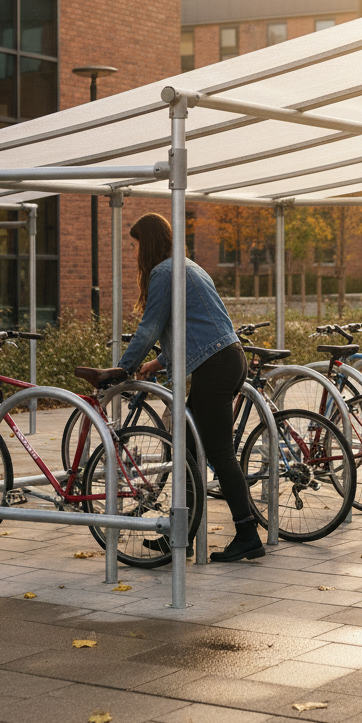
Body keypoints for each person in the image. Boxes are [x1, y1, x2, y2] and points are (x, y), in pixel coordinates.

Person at [93, 213, 264, 562]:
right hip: (228, 358)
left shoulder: (163, 272)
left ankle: (246, 533)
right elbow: (187, 326)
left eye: (135, 244)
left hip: (214, 366)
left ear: (148, 243)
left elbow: (150, 326)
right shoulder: (187, 266)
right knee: (184, 448)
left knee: (217, 452)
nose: (133, 251)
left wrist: (121, 369)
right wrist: (159, 362)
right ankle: (181, 534)